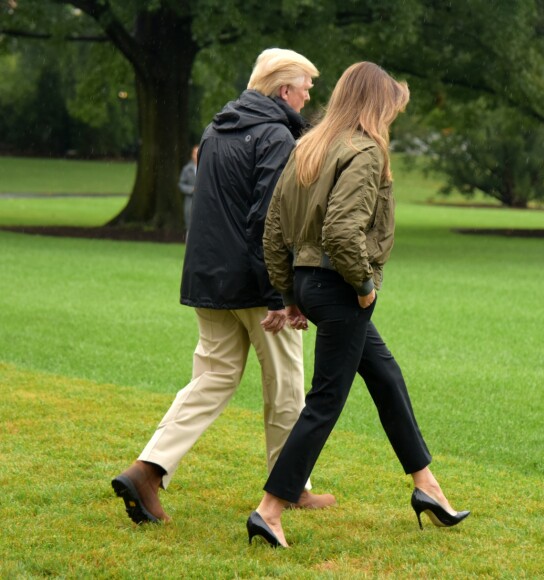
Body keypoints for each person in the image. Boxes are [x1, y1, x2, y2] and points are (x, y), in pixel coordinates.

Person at [247, 62, 470, 548]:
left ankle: (427, 488)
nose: (393, 117)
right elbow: (342, 231)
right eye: (392, 107)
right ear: (376, 105)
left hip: (313, 283)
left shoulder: (310, 144)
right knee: (326, 402)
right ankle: (270, 509)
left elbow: (273, 230)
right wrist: (365, 287)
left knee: (386, 377)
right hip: (341, 286)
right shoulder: (365, 151)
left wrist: (291, 294)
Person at [112, 48, 336, 524]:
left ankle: (147, 470)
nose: (309, 95)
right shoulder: (277, 136)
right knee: (287, 387)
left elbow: (215, 214)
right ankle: (290, 488)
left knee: (211, 379)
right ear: (283, 91)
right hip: (258, 286)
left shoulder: (216, 129)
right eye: (305, 87)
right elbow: (268, 220)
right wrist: (283, 296)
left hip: (209, 278)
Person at [179, 145, 198, 231]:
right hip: (190, 202)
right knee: (189, 227)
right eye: (195, 153)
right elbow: (181, 184)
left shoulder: (206, 167)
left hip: (203, 202)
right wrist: (191, 189)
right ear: (192, 155)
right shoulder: (187, 169)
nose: (196, 156)